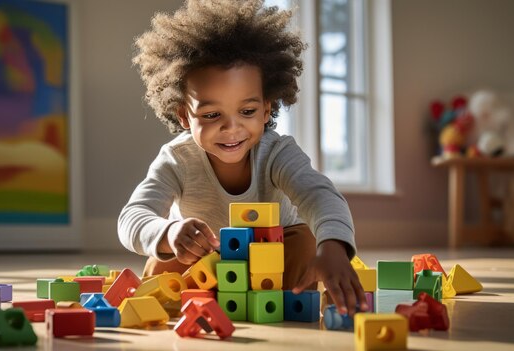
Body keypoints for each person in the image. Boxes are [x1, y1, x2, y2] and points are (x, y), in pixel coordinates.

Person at [118, 0, 368, 315]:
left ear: (266, 109)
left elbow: (321, 196)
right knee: (161, 265)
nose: (231, 127)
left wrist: (333, 248)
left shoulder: (277, 152)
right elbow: (133, 216)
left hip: (275, 256)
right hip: (208, 256)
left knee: (303, 239)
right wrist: (166, 233)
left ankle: (276, 301)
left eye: (247, 111)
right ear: (184, 115)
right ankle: (209, 301)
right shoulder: (176, 159)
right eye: (211, 114)